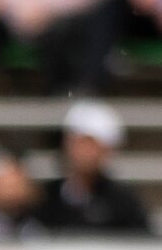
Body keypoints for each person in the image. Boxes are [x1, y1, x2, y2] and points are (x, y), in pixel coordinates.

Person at [34, 100, 152, 235]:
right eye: (80, 142)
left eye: (92, 144)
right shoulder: (47, 197)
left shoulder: (123, 201)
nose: (85, 152)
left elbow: (142, 242)